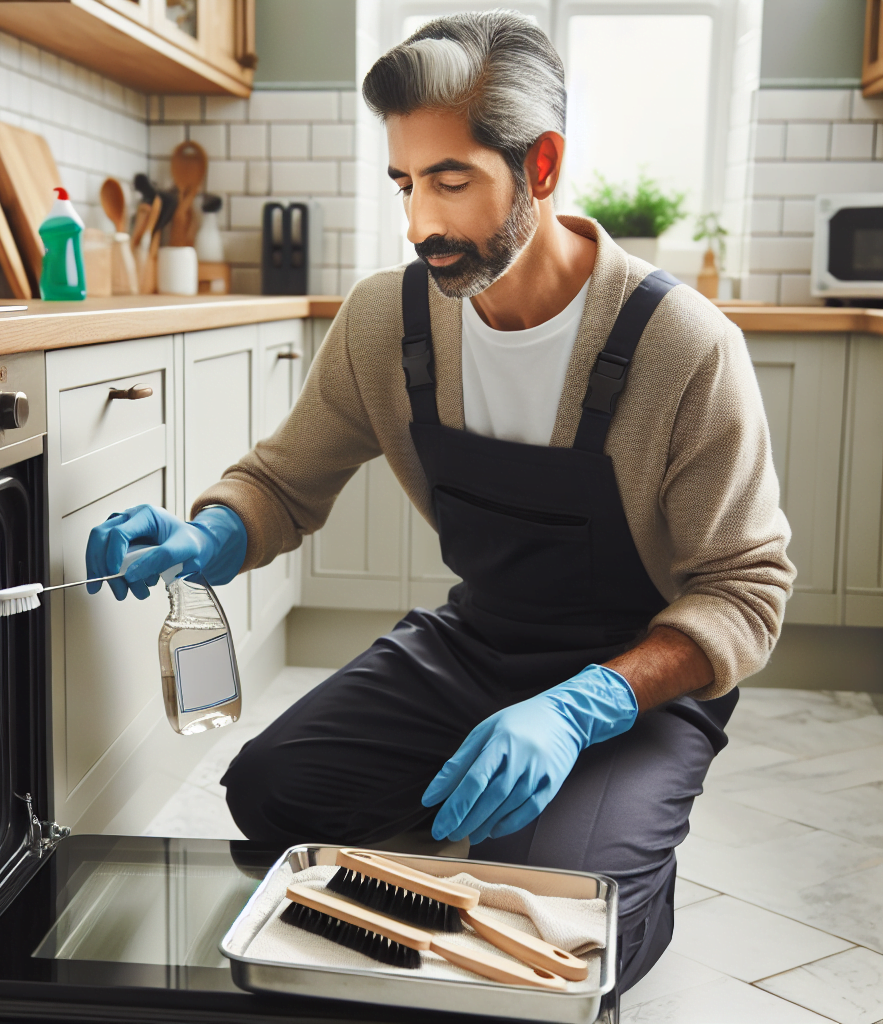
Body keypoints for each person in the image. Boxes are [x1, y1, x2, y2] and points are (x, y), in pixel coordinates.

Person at [85, 11, 794, 990]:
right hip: (476, 645)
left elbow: (745, 590)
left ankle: (600, 842)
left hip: (633, 686)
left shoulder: (682, 345)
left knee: (566, 918)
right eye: (405, 183)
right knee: (269, 788)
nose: (421, 223)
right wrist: (210, 530)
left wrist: (581, 708)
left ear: (540, 166)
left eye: (451, 180)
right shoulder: (390, 319)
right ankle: (490, 811)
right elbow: (283, 480)